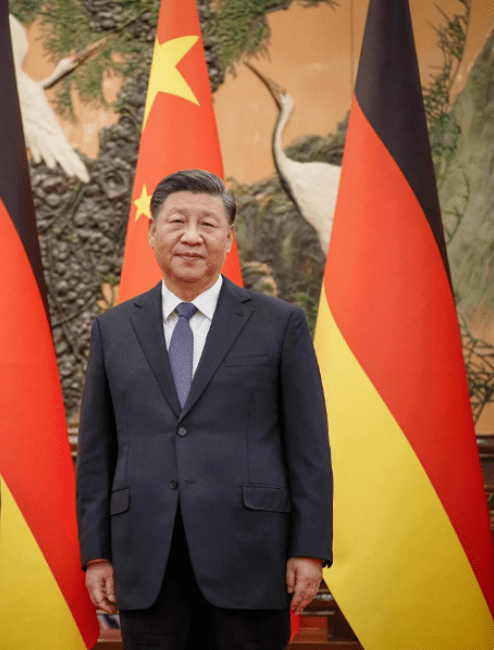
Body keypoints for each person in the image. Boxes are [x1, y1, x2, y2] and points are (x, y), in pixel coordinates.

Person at [75, 169, 332, 650]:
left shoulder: (279, 325)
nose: (191, 237)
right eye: (176, 221)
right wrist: (97, 556)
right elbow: (97, 453)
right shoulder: (113, 329)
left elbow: (309, 447)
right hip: (146, 559)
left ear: (229, 240)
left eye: (208, 225)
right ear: (152, 233)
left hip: (252, 555)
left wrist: (309, 549)